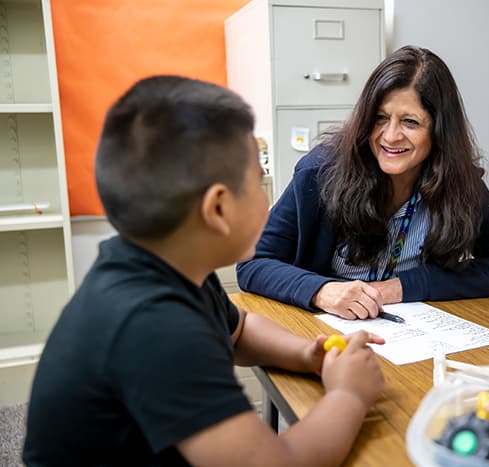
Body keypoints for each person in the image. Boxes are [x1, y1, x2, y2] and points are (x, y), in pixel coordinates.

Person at [23, 76, 385, 466]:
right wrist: (349, 395)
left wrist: (305, 355)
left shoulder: (168, 266)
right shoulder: (153, 325)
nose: (267, 200)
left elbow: (239, 330)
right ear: (217, 209)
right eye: (258, 182)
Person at [236, 45, 489, 320]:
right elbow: (253, 264)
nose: (390, 136)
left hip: (414, 334)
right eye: (380, 118)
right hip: (329, 335)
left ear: (440, 132)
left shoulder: (459, 182)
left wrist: (403, 287)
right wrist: (322, 290)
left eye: (410, 122)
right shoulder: (320, 172)